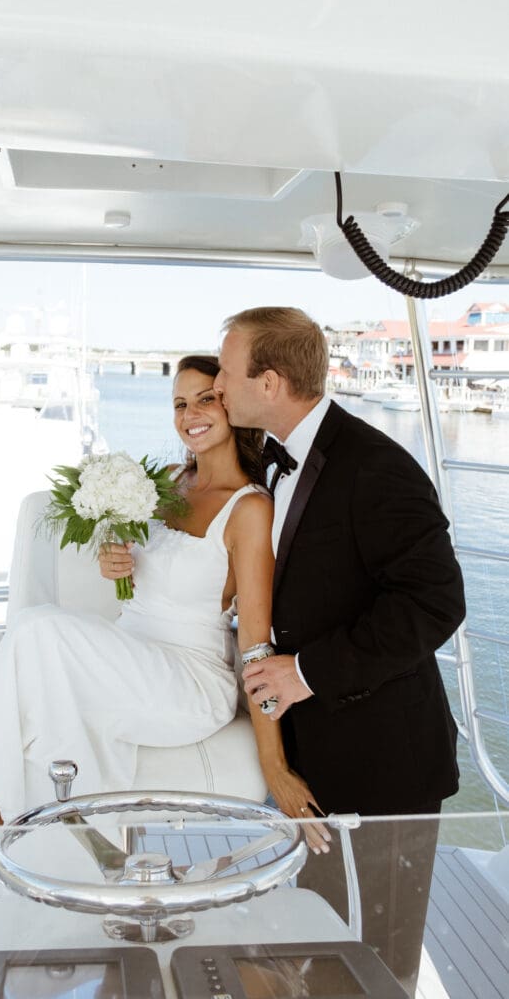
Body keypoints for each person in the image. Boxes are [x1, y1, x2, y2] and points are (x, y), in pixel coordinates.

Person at [0, 354, 322, 907]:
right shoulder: (167, 482)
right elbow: (146, 574)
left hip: (189, 681)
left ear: (233, 406)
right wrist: (113, 560)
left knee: (37, 631)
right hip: (131, 656)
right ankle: (58, 865)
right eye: (179, 403)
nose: (190, 414)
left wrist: (274, 764)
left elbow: (255, 641)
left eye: (205, 399)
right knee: (42, 677)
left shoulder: (250, 509)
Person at [214, 306, 466, 997]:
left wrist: (302, 673)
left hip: (384, 763)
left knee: (379, 964)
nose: (219, 386)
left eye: (229, 372)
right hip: (313, 761)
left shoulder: (376, 466)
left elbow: (436, 602)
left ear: (269, 382)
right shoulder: (269, 458)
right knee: (321, 951)